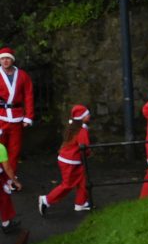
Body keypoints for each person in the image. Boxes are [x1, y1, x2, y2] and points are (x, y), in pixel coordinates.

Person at [39, 104, 92, 216]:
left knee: (82, 180)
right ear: (82, 117)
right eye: (87, 114)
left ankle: (81, 202)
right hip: (71, 161)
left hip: (69, 159)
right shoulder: (82, 130)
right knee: (68, 184)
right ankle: (47, 200)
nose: (89, 116)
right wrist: (88, 154)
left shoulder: (73, 127)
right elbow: (84, 147)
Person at [0, 47, 34, 175]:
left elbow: (29, 96)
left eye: (8, 58)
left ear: (12, 60)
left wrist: (28, 116)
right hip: (1, 117)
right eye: (2, 59)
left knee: (15, 149)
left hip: (17, 117)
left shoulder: (23, 75)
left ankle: (11, 177)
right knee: (0, 148)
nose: (5, 61)